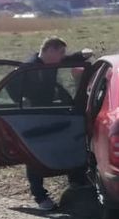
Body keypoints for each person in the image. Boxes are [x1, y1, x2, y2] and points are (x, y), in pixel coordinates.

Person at [16, 37, 92, 210]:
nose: (62, 56)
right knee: (34, 155)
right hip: (33, 115)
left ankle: (77, 183)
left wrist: (84, 53)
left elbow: (73, 58)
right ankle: (40, 197)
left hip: (52, 112)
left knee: (67, 144)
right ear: (50, 50)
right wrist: (25, 102)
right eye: (61, 52)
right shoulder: (28, 67)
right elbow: (13, 88)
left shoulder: (52, 61)